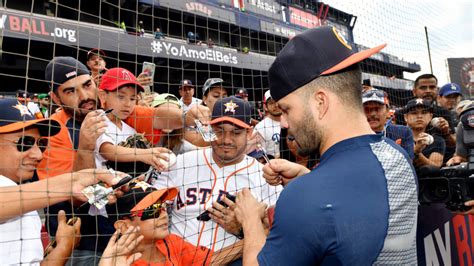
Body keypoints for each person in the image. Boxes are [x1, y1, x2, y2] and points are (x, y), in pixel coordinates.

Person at [234, 26, 418, 265]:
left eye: (287, 109)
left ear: (320, 102)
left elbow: (325, 206)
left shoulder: (305, 197)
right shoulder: (398, 155)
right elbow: (359, 204)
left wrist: (249, 221)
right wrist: (309, 177)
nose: (285, 123)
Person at [38, 56, 210, 265]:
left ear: (96, 84)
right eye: (70, 91)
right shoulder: (50, 132)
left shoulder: (116, 114)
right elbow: (74, 197)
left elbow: (158, 115)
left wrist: (187, 115)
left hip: (124, 235)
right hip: (82, 244)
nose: (84, 96)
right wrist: (85, 148)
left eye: (86, 85)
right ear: (55, 98)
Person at [0, 98, 124, 265]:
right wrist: (71, 182)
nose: (38, 154)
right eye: (24, 143)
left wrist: (63, 247)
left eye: (41, 144)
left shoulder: (22, 197)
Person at [154, 96, 281, 254]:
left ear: (249, 133)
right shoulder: (183, 163)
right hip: (177, 258)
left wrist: (243, 228)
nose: (226, 140)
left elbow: (278, 233)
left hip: (232, 260)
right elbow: (150, 204)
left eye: (236, 132)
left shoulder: (264, 176)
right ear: (210, 129)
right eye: (220, 131)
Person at [100, 181, 243, 265]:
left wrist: (254, 233)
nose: (163, 215)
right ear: (124, 225)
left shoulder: (170, 242)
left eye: (163, 207)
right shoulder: (119, 262)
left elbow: (208, 261)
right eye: (152, 210)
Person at [95, 67, 172, 172]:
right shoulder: (97, 119)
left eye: (132, 98)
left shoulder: (131, 130)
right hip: (101, 184)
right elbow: (107, 151)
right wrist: (145, 154)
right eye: (121, 97)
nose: (128, 104)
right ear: (102, 96)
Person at [362, 88, 415, 159]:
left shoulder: (403, 132)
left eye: (377, 108)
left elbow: (408, 162)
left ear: (387, 111)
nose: (372, 114)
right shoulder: (351, 135)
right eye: (367, 109)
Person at [184, 78, 228, 147]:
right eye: (216, 96)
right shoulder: (195, 116)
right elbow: (195, 141)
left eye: (225, 96)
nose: (222, 100)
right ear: (204, 99)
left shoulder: (234, 117)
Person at [403, 99, 445, 168]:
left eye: (424, 112)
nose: (419, 116)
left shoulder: (437, 140)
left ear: (430, 117)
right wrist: (416, 150)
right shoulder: (398, 137)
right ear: (406, 117)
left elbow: (435, 167)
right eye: (414, 113)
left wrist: (417, 152)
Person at [254, 90, 282, 158]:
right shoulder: (260, 127)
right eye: (271, 103)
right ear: (265, 106)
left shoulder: (291, 122)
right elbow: (260, 156)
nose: (276, 105)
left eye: (278, 101)